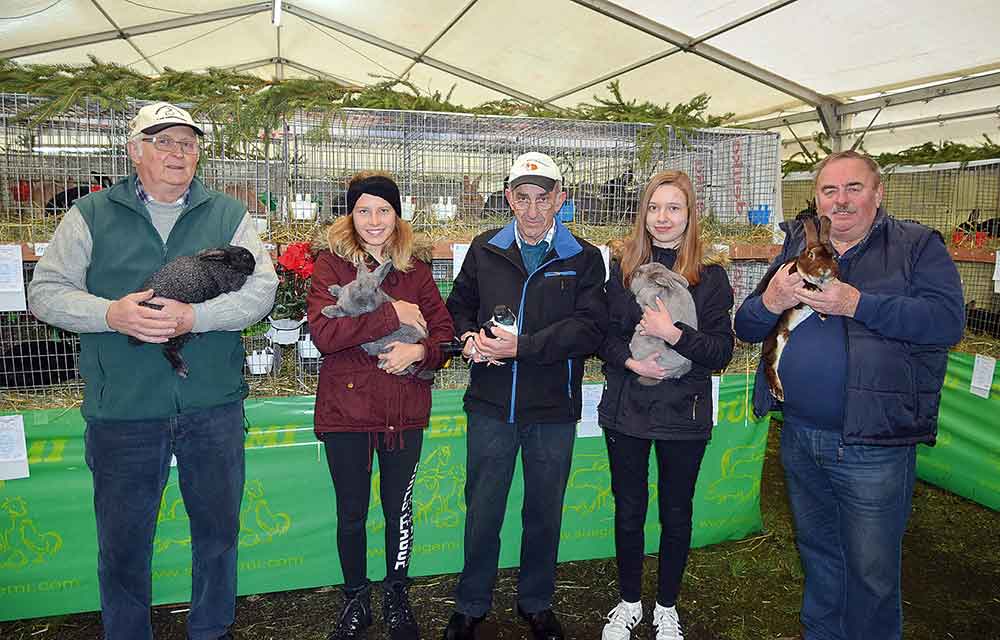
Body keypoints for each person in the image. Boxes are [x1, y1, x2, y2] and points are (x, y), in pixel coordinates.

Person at [26, 101, 278, 640]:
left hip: (212, 404)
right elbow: (45, 292)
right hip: (123, 408)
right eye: (163, 142)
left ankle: (211, 629)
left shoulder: (228, 213)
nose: (178, 153)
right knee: (122, 542)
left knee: (217, 534)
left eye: (187, 143)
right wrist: (110, 314)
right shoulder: (90, 214)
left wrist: (198, 315)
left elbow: (262, 290)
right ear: (134, 151)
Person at [734, 150, 964, 640]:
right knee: (819, 556)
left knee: (871, 572)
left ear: (878, 195)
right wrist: (771, 300)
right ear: (816, 198)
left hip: (874, 442)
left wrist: (858, 304)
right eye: (829, 191)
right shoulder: (799, 245)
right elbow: (747, 324)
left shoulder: (916, 246)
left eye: (853, 188)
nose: (840, 201)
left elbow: (945, 323)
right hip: (800, 436)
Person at [442, 152, 608, 640]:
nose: (534, 210)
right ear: (509, 198)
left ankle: (536, 602)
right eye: (523, 198)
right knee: (483, 510)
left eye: (544, 198)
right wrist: (468, 339)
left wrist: (524, 348)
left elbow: (590, 330)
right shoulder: (484, 249)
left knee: (543, 511)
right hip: (492, 406)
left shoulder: (582, 257)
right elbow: (458, 307)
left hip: (553, 409)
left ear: (561, 199)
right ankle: (472, 603)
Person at [306, 172, 455, 640]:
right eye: (363, 210)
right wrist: (391, 315)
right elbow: (323, 335)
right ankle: (355, 599)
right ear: (350, 216)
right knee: (351, 511)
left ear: (397, 216)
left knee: (398, 510)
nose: (374, 220)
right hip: (347, 412)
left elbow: (445, 335)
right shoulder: (331, 267)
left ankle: (396, 594)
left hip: (402, 411)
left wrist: (420, 351)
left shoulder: (417, 271)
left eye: (383, 210)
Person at [597, 170, 734, 640]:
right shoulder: (621, 270)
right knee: (629, 507)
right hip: (628, 408)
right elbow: (603, 336)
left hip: (685, 412)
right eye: (654, 208)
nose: (662, 218)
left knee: (676, 510)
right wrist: (632, 365)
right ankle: (629, 601)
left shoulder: (711, 277)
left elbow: (721, 351)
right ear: (643, 214)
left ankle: (667, 606)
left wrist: (673, 333)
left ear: (690, 215)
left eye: (673, 208)